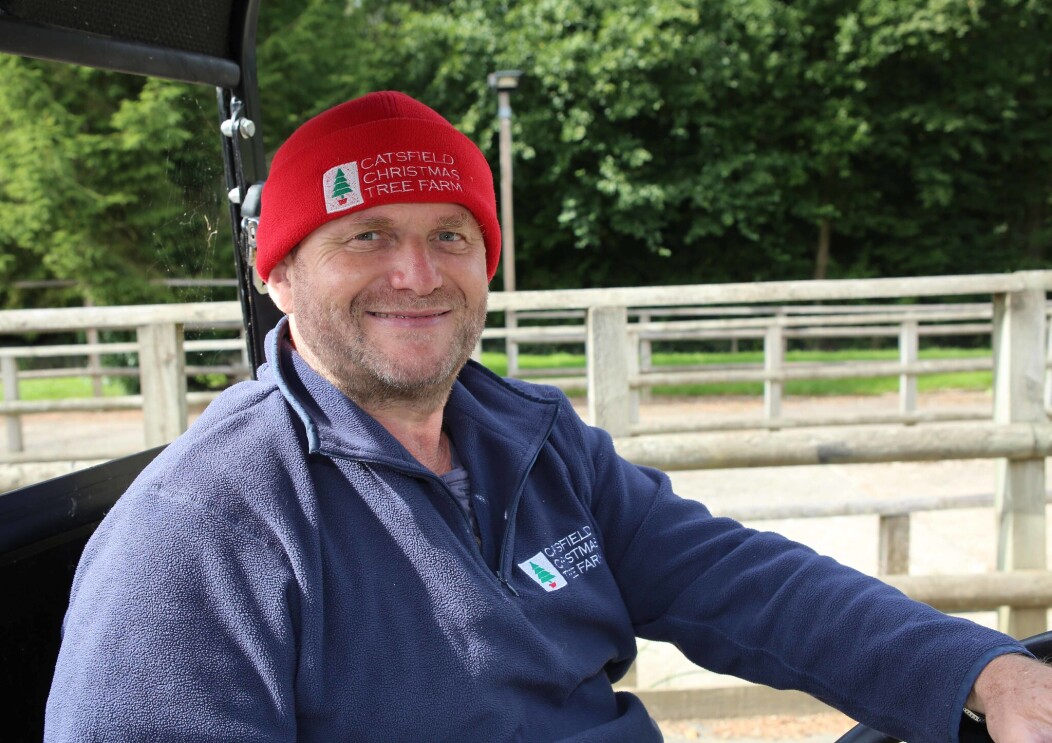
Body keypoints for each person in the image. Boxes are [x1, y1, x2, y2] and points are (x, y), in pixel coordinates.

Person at [45, 91, 1052, 742]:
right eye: (365, 237)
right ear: (277, 272)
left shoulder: (529, 440)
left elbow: (736, 582)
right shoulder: (203, 529)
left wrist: (974, 667)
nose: (416, 272)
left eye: (450, 233)